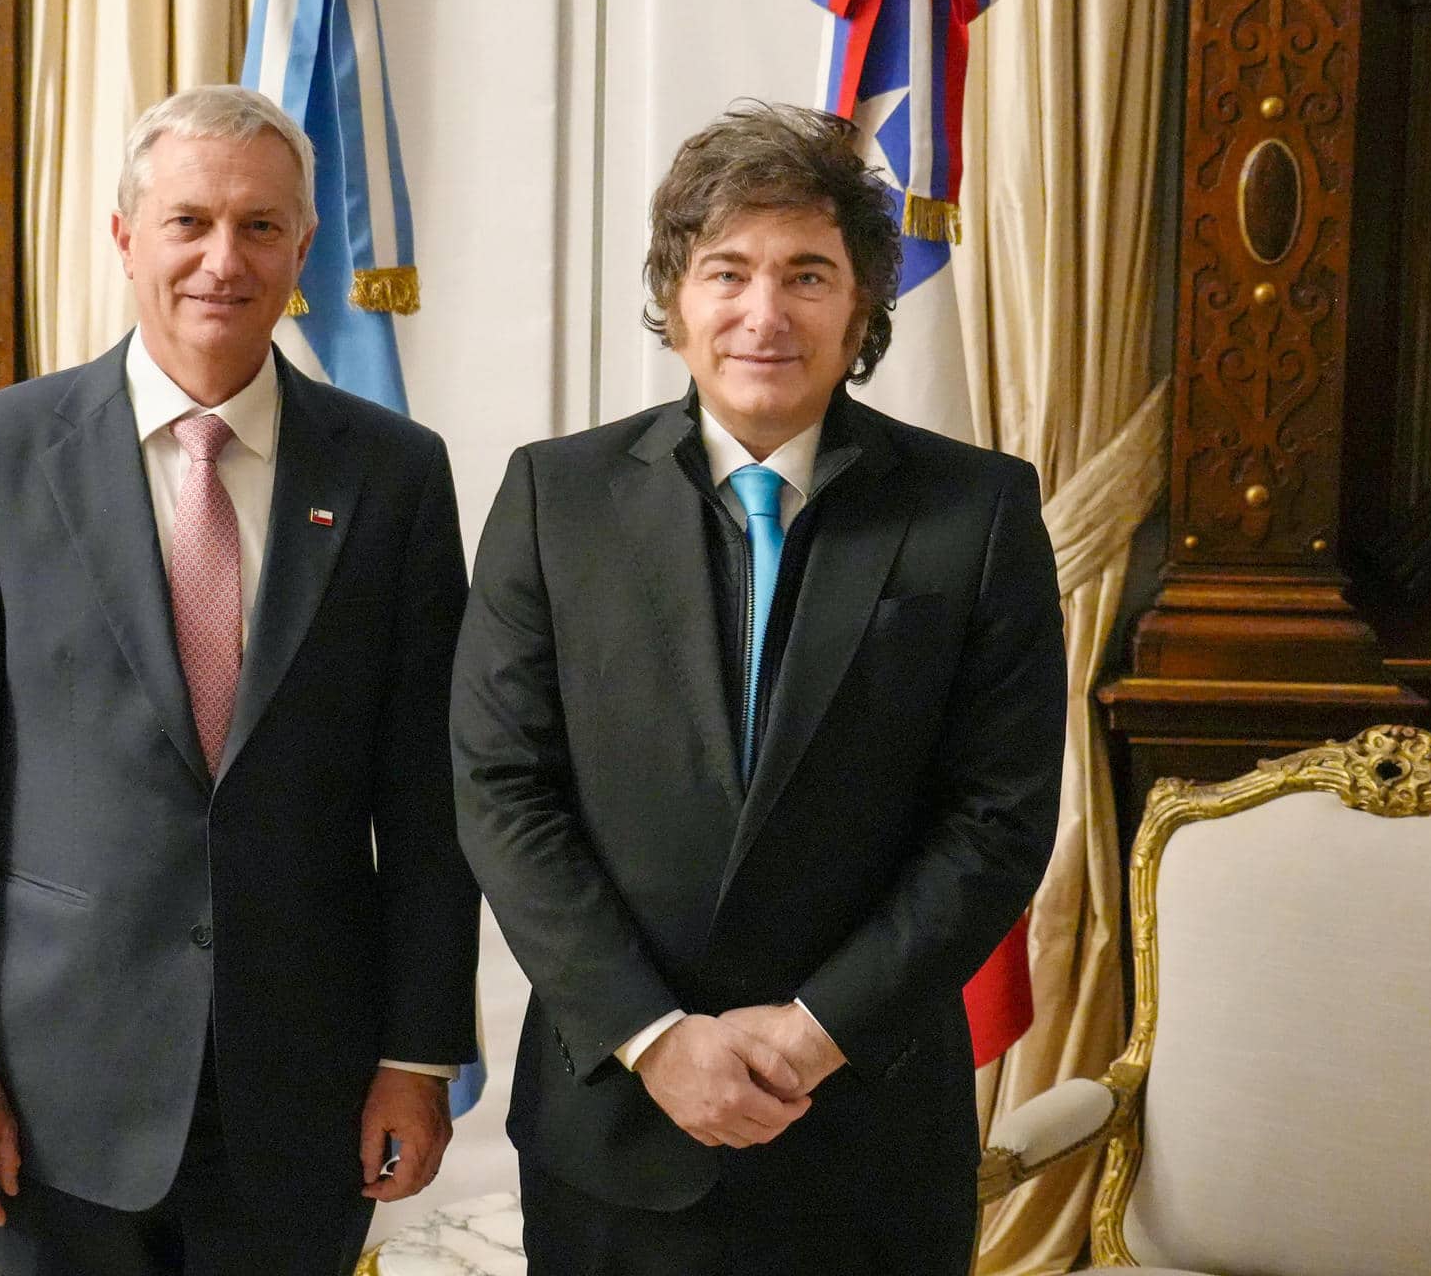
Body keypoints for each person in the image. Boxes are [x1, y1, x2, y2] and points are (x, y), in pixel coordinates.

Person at [0, 85, 479, 1276]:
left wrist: (416, 1055)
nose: (223, 258)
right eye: (188, 220)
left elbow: (428, 800)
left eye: (260, 227)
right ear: (124, 237)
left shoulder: (396, 474)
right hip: (54, 1100)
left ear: (304, 249)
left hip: (306, 1090)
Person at [450, 101, 1065, 1275]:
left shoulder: (976, 513)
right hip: (616, 1125)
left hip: (867, 1125)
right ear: (676, 298)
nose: (763, 313)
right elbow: (501, 789)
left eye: (808, 274)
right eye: (727, 271)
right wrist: (656, 1035)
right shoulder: (553, 498)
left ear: (864, 306)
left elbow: (997, 818)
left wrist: (815, 1032)